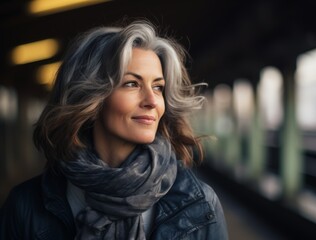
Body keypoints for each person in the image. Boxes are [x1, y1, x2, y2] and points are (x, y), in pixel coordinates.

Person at [0, 20, 228, 239]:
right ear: (92, 96)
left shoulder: (199, 205)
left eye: (158, 87)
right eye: (132, 83)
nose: (152, 101)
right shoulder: (25, 206)